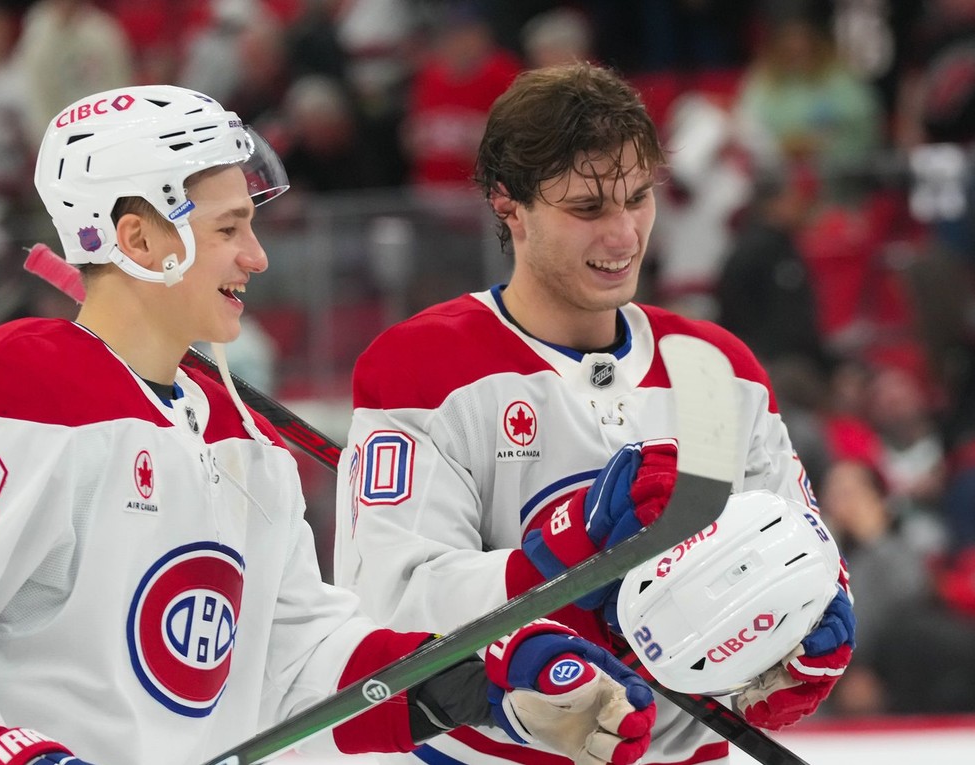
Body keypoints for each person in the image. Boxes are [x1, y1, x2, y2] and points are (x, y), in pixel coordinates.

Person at [0, 84, 660, 765]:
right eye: (229, 227)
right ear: (138, 239)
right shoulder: (16, 390)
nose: (256, 256)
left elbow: (292, 659)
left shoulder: (238, 437)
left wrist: (485, 678)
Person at [335, 62, 855, 765]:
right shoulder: (426, 368)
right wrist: (556, 557)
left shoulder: (713, 371)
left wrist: (801, 643)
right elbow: (387, 605)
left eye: (638, 198)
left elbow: (801, 557)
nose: (624, 235)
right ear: (508, 203)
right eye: (587, 209)